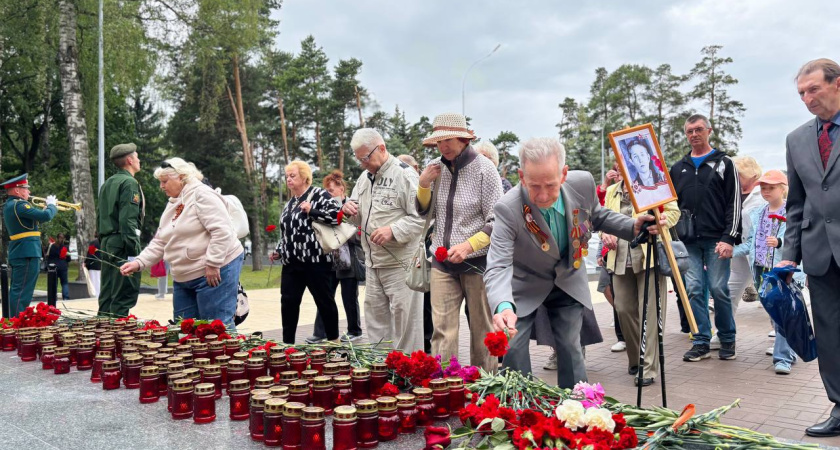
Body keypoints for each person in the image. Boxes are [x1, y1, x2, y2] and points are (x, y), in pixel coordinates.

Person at [485, 137, 665, 388]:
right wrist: (503, 306)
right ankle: (520, 408)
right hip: (525, 284)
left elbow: (598, 215)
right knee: (513, 347)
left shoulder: (582, 184)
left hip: (569, 277)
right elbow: (499, 264)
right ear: (521, 176)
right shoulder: (508, 208)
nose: (543, 195)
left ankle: (576, 408)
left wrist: (631, 226)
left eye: (550, 184)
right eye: (534, 186)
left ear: (564, 173)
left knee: (570, 345)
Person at [779, 58, 840, 437]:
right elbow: (796, 205)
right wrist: (789, 254)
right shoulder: (797, 139)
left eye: (813, 89)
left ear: (837, 84)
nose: (806, 99)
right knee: (831, 335)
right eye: (801, 93)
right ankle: (839, 406)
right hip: (820, 257)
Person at [418, 113, 502, 372]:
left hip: (477, 263)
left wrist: (468, 246)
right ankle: (445, 386)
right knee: (442, 331)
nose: (442, 147)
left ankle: (486, 387)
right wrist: (423, 184)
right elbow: (423, 212)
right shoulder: (434, 167)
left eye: (447, 140)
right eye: (438, 142)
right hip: (442, 262)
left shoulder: (485, 169)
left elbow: (497, 220)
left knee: (482, 331)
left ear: (464, 139)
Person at [120, 158, 244, 330]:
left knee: (217, 330)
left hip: (213, 272)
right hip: (183, 277)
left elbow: (222, 231)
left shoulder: (202, 194)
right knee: (185, 331)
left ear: (181, 177)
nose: (161, 187)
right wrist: (139, 262)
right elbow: (161, 241)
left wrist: (213, 263)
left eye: (164, 182)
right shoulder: (174, 202)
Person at [342, 129, 425, 352]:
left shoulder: (405, 175)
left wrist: (393, 230)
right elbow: (357, 214)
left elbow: (422, 218)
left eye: (365, 158)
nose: (362, 164)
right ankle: (382, 370)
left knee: (406, 322)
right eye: (359, 159)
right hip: (372, 262)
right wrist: (349, 209)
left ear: (381, 148)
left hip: (401, 263)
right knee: (375, 319)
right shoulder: (363, 178)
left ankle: (408, 372)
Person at [669, 114, 741, 362]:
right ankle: (701, 340)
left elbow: (734, 202)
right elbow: (671, 205)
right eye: (689, 131)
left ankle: (727, 338)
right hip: (688, 240)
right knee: (694, 289)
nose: (694, 134)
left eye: (699, 129)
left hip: (717, 238)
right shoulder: (678, 168)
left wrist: (729, 238)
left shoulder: (724, 163)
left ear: (709, 131)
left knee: (719, 289)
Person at [602, 177, 680, 387]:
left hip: (650, 255)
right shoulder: (611, 191)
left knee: (651, 312)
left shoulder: (653, 184)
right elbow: (603, 218)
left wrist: (660, 220)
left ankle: (648, 367)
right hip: (619, 257)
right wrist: (605, 233)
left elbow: (673, 212)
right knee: (623, 308)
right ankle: (636, 357)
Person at [271, 160, 341, 344]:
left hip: (315, 261)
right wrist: (279, 250)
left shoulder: (318, 194)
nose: (288, 179)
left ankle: (334, 340)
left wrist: (313, 211)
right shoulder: (290, 204)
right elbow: (287, 231)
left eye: (292, 175)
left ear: (304, 177)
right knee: (288, 303)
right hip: (291, 263)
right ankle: (287, 345)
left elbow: (337, 217)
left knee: (324, 301)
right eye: (287, 176)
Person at [735, 170, 796, 375]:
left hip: (783, 270)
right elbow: (752, 242)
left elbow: (798, 239)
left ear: (783, 188)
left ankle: (783, 357)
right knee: (775, 313)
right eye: (763, 187)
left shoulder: (793, 211)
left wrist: (779, 242)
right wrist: (732, 251)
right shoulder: (759, 212)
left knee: (782, 313)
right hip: (762, 270)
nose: (766, 191)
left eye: (771, 187)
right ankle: (791, 346)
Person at [710, 156, 765, 350]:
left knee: (769, 295)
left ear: (749, 173)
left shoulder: (762, 194)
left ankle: (784, 340)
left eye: (737, 173)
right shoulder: (730, 192)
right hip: (737, 252)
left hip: (760, 254)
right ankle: (722, 332)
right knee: (728, 292)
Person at [306, 170, 363, 343]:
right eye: (326, 191)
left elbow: (358, 234)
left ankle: (355, 330)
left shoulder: (352, 207)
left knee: (349, 297)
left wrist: (342, 227)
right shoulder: (325, 208)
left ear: (342, 190)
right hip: (330, 259)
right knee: (325, 295)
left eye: (330, 191)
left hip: (349, 258)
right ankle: (321, 332)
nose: (327, 194)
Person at [98, 143, 144, 317]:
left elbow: (99, 216)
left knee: (107, 295)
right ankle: (116, 338)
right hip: (123, 243)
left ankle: (101, 335)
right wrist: (134, 251)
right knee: (123, 294)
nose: (139, 160)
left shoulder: (108, 183)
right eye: (137, 157)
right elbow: (128, 220)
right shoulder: (129, 183)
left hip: (108, 242)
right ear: (129, 160)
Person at [1, 174, 57, 318]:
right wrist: (52, 206)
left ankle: (15, 321)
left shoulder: (12, 206)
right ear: (17, 190)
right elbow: (46, 216)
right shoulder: (19, 205)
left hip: (22, 251)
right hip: (26, 252)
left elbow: (34, 220)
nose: (29, 192)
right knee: (22, 292)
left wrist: (45, 209)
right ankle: (17, 324)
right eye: (26, 188)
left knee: (19, 290)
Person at [398, 153, 435, 354]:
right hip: (409, 252)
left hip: (427, 248)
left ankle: (427, 338)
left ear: (416, 167)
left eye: (405, 166)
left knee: (426, 295)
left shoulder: (424, 184)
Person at [624, 138, 669, 208]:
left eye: (642, 155)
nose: (640, 160)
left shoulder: (662, 178)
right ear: (631, 161)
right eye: (635, 157)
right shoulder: (633, 186)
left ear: (648, 157)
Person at [46, 233, 72, 300]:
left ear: (57, 238)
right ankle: (66, 297)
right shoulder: (65, 247)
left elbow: (49, 257)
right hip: (63, 266)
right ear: (64, 239)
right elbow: (68, 259)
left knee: (55, 283)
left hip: (54, 266)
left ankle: (54, 297)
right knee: (64, 283)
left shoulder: (52, 246)